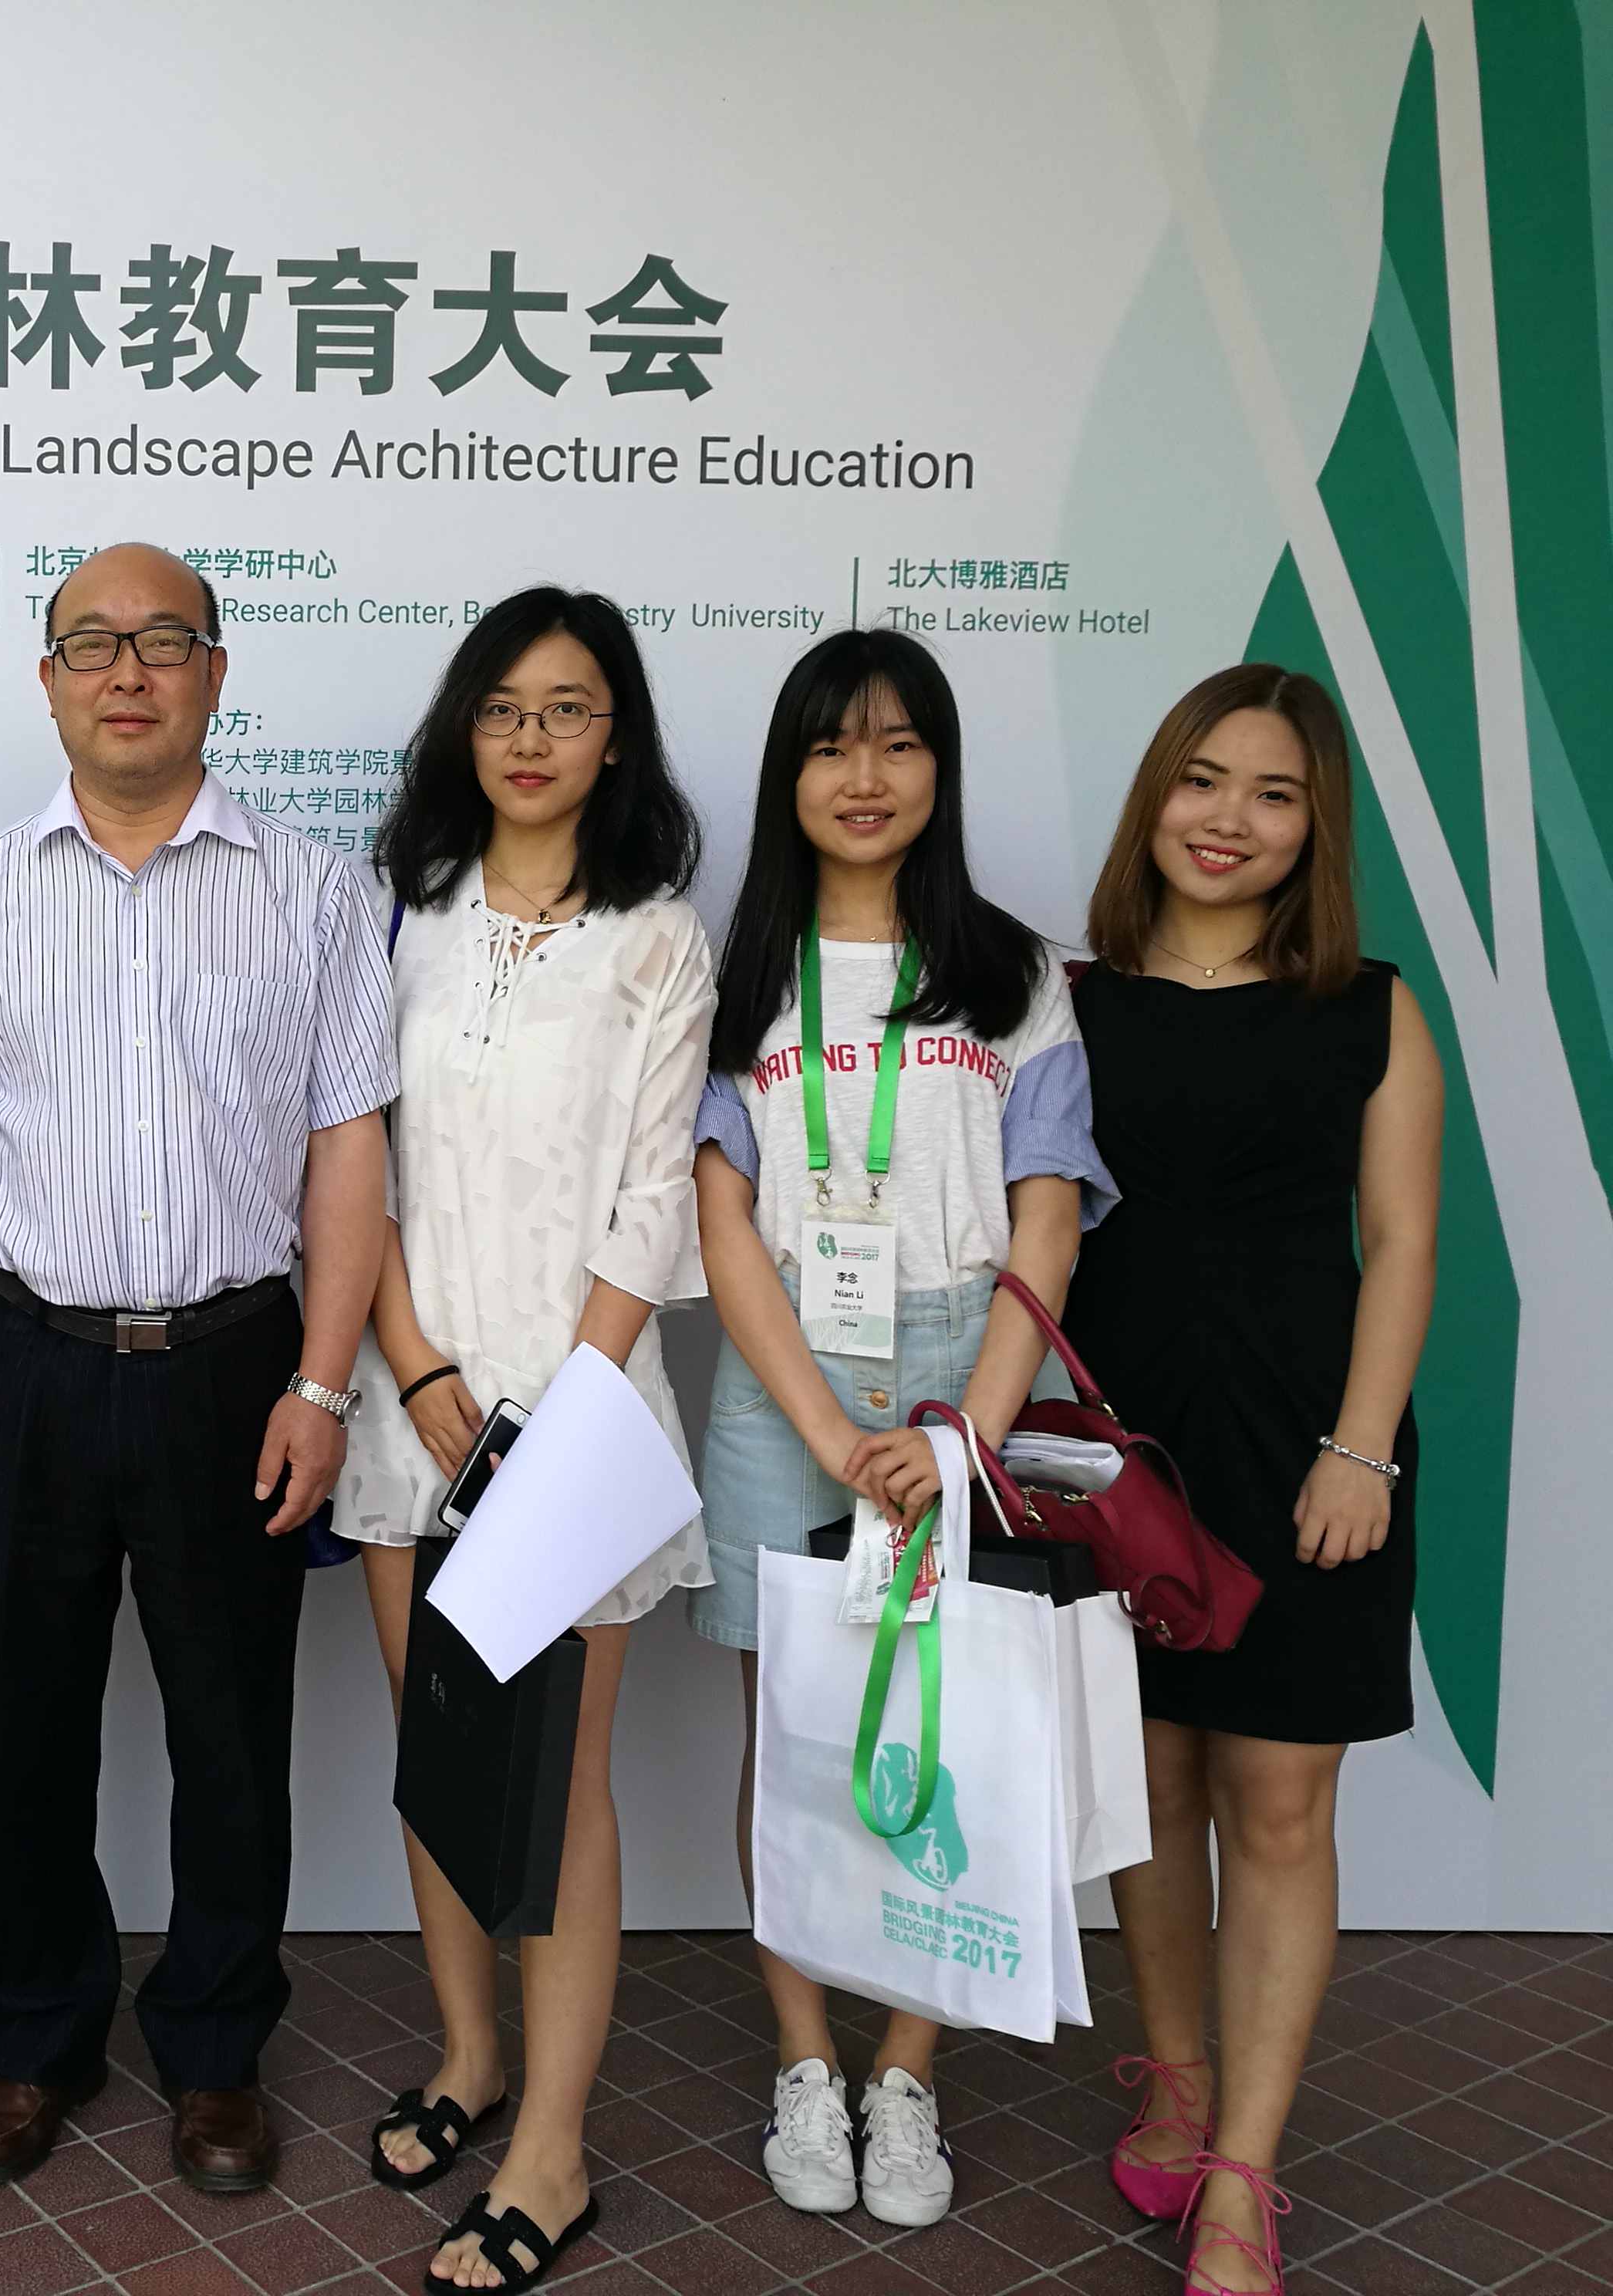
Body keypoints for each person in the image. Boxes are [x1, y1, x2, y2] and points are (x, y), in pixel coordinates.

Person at [0, 542, 396, 2195]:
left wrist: (323, 1383)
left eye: (163, 641)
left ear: (215, 675)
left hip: (237, 1366)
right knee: (26, 1726)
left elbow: (349, 1150)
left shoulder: (314, 892)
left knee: (232, 1733)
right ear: (46, 681)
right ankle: (38, 2040)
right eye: (90, 643)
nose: (127, 671)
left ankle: (217, 2049)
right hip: (21, 1359)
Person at [689, 626, 1111, 2230]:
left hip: (961, 1368)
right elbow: (723, 1221)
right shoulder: (739, 978)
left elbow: (1048, 1217)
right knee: (793, 1730)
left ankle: (910, 2068)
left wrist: (959, 1444)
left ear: (940, 767)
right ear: (786, 777)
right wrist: (822, 1422)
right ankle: (805, 2057)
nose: (862, 779)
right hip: (781, 1380)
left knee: (952, 1729)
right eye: (828, 747)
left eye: (896, 744)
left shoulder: (1012, 974)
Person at [335, 589, 712, 2291]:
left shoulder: (659, 939)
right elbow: (351, 1166)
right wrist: (418, 1374)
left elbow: (654, 1193)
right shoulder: (395, 914)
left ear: (614, 735)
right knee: (438, 1756)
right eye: (502, 707)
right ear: (462, 731)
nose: (533, 738)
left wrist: (552, 1420)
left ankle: (552, 2151)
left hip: (577, 1423)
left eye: (567, 707)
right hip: (409, 1407)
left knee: (554, 1786)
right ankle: (470, 2055)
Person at [1062, 667, 1438, 2296]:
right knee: (1147, 1789)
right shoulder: (1064, 1001)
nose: (1228, 819)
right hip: (1118, 1454)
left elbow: (1402, 1241)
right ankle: (1176, 2079)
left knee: (1277, 1806)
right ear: (1157, 793)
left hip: (1309, 1452)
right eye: (1202, 780)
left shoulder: (1369, 1005)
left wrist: (1361, 1447)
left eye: (1273, 794)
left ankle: (1244, 2172)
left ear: (1315, 827)